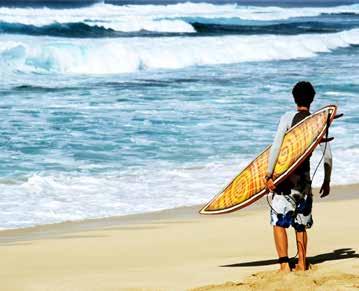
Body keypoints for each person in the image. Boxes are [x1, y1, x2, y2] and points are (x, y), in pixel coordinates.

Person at [265, 81, 332, 272]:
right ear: (312, 99)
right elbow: (327, 155)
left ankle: (285, 265)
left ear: (294, 98)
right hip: (304, 180)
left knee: (279, 221)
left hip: (285, 180)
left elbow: (277, 146)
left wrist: (269, 174)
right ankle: (302, 263)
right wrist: (327, 181)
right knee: (301, 223)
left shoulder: (288, 117)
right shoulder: (317, 121)